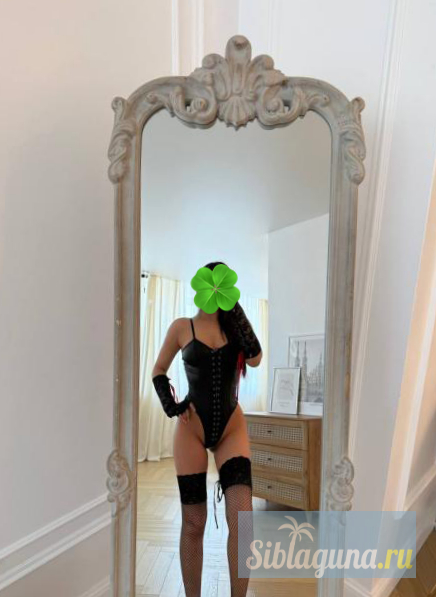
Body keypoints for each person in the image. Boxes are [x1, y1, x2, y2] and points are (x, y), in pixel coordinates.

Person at [151, 261, 263, 597]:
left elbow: (255, 358)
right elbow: (158, 370)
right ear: (200, 287)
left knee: (242, 522)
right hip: (192, 429)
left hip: (231, 428)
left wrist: (236, 309)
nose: (214, 291)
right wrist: (171, 404)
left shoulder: (235, 331)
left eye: (221, 286)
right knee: (194, 522)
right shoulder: (181, 327)